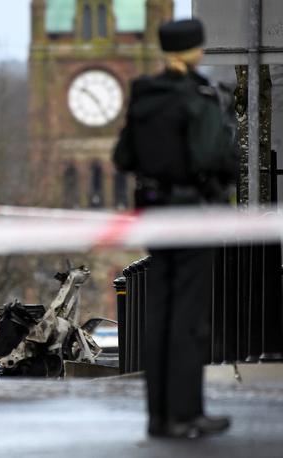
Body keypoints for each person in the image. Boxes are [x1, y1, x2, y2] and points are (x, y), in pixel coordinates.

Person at [113, 19, 238, 439]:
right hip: (191, 214)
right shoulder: (197, 95)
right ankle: (186, 414)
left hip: (154, 212)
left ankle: (158, 416)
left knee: (161, 316)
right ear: (195, 50)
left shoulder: (144, 95)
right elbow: (212, 155)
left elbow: (123, 155)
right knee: (188, 319)